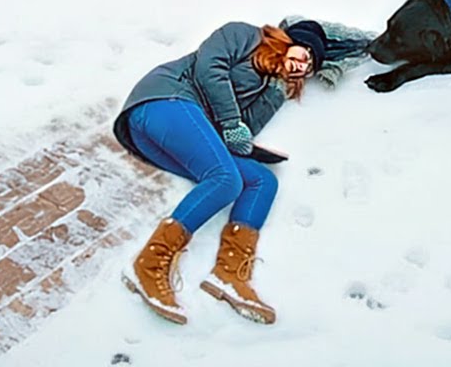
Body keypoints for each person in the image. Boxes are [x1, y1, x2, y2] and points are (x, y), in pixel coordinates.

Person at [112, 19, 332, 326]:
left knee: (261, 180)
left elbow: (244, 132)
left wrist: (277, 91)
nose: (303, 63)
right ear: (287, 39)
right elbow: (208, 67)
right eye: (304, 51)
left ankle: (229, 275)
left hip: (170, 135)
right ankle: (148, 265)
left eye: (309, 65)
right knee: (226, 179)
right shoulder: (246, 35)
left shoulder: (270, 84)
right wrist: (230, 122)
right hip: (165, 99)